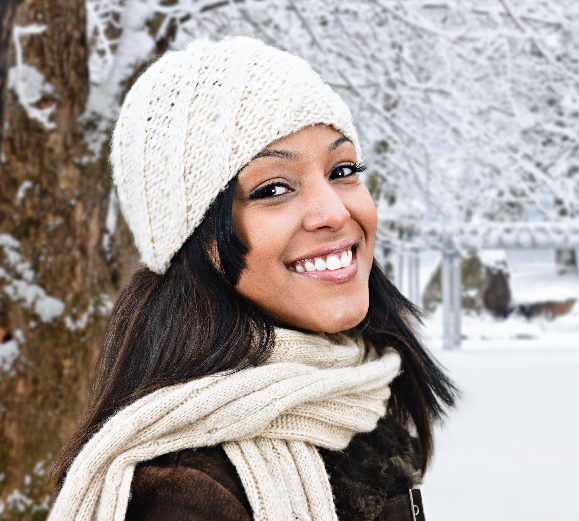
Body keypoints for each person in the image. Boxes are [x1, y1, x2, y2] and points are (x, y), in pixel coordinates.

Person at [45, 36, 457, 521]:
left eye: (342, 170)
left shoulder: (359, 409)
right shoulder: (180, 490)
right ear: (197, 238)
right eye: (274, 188)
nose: (333, 210)